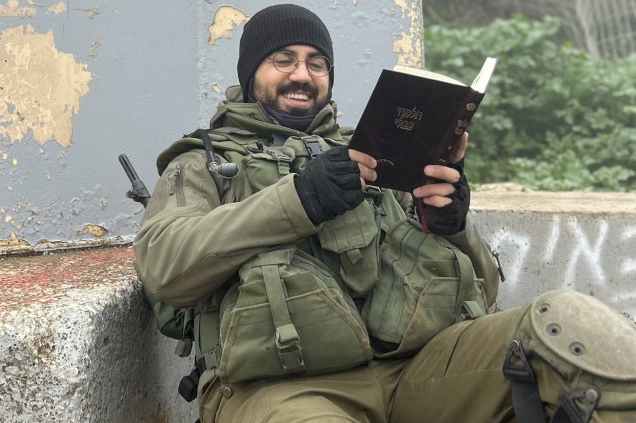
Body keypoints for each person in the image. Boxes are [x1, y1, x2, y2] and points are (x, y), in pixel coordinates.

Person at [132, 4, 636, 422]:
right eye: (283, 60)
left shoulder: (374, 151)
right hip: (280, 389)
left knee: (568, 325)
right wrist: (299, 199)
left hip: (416, 373)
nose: (302, 75)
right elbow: (162, 266)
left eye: (316, 63)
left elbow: (485, 294)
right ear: (251, 73)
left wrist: (454, 226)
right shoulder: (203, 162)